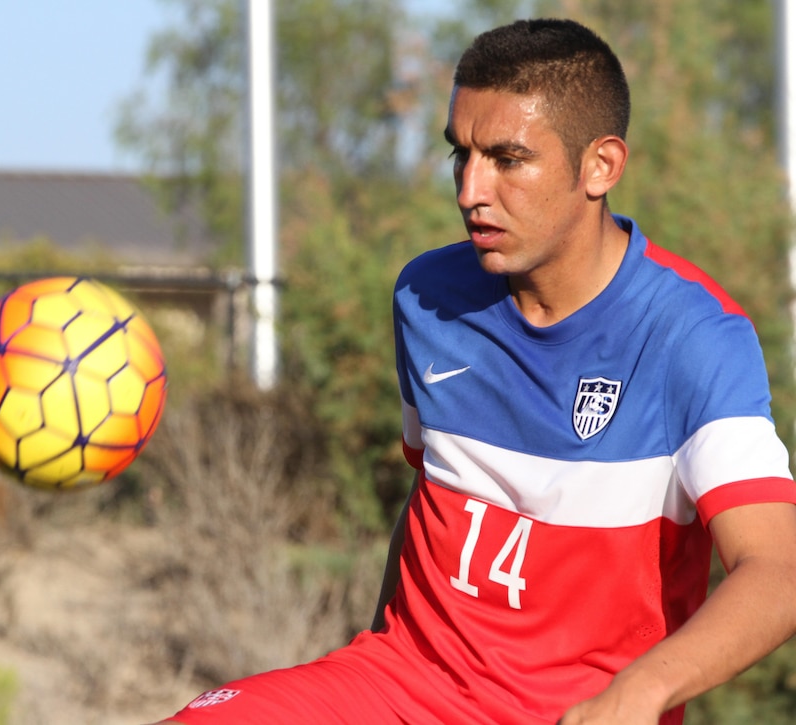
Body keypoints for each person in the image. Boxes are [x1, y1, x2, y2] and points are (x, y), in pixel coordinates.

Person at [150, 18, 796, 724]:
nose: (470, 190)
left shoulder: (696, 336)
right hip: (401, 684)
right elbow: (433, 495)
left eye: (507, 158)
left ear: (601, 166)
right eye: (461, 155)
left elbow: (777, 571)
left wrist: (638, 692)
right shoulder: (425, 296)